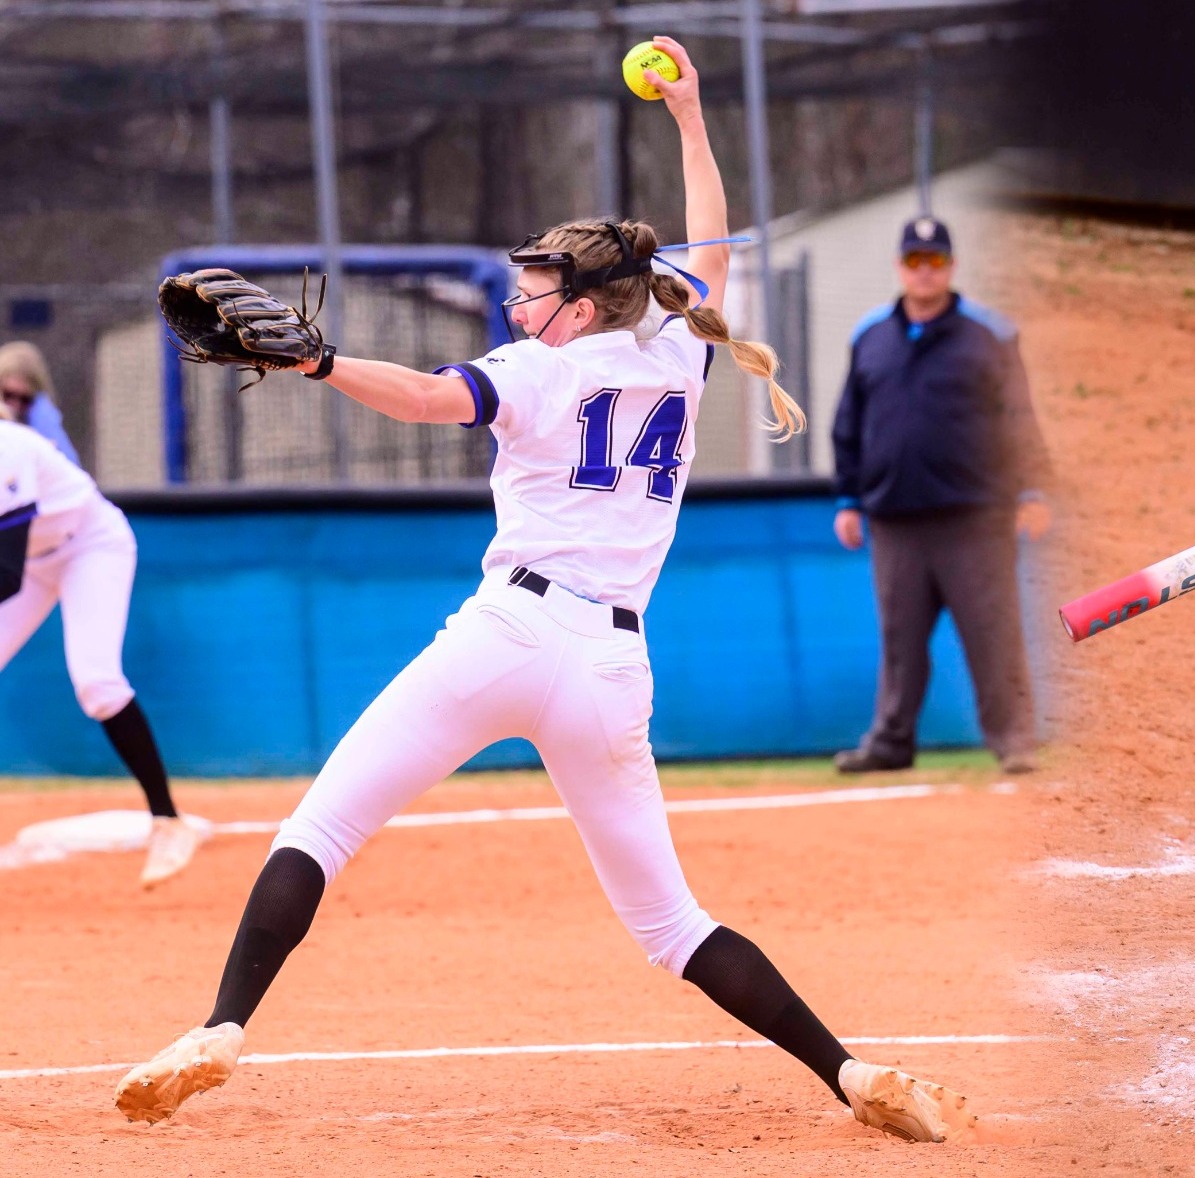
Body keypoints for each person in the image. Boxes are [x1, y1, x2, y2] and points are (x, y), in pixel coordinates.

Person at [113, 38, 977, 1145]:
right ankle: (850, 1069)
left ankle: (220, 1027)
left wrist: (315, 364)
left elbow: (429, 401)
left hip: (508, 631)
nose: (519, 307)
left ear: (581, 306)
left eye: (533, 292)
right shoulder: (675, 351)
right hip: (613, 667)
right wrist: (693, 118)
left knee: (322, 825)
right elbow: (706, 232)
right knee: (671, 924)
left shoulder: (540, 368)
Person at [830, 215, 1052, 775]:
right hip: (895, 517)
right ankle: (890, 743)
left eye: (933, 261)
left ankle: (1015, 741)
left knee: (992, 632)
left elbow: (1019, 418)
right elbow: (848, 423)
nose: (923, 272)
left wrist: (1032, 490)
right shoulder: (870, 335)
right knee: (901, 640)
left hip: (975, 516)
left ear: (950, 267)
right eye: (913, 261)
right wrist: (848, 499)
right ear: (900, 267)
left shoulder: (990, 334)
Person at [0, 397, 198, 885]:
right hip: (29, 561)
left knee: (97, 682)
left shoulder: (10, 448)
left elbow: (4, 574)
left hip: (90, 545)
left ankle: (169, 822)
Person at [0, 341, 83, 465]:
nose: (16, 405)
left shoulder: (40, 417)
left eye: (25, 399)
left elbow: (70, 466)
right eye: (9, 395)